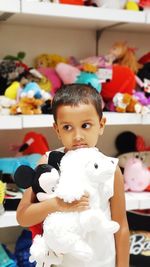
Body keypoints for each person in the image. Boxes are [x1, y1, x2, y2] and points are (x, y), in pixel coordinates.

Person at [16, 83, 129, 267]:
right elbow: (23, 216)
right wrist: (57, 204)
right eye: (67, 127)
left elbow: (121, 227)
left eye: (85, 125)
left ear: (101, 125)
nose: (77, 136)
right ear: (57, 130)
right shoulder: (48, 163)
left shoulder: (110, 168)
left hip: (102, 261)